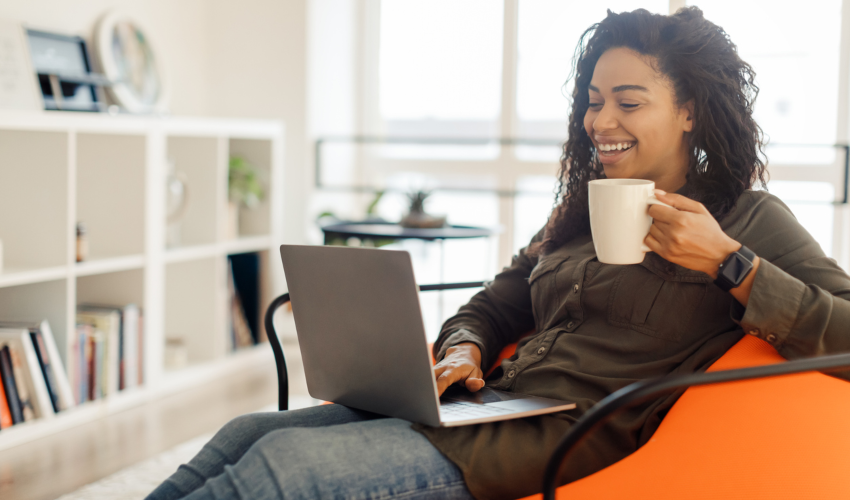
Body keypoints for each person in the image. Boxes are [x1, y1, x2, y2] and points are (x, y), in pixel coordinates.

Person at [147, 7, 850, 500]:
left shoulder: (745, 218)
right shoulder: (580, 211)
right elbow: (494, 303)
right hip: (488, 409)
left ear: (690, 110)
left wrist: (731, 265)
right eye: (594, 100)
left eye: (629, 102)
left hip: (558, 442)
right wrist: (463, 347)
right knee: (249, 432)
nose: (600, 121)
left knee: (285, 473)